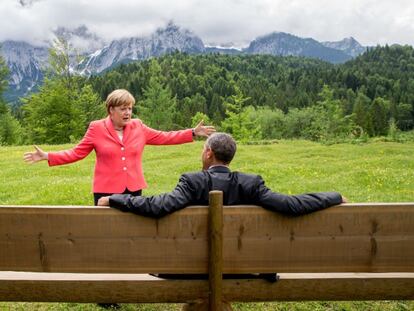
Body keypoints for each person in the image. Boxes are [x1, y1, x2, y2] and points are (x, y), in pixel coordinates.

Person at [23, 89, 215, 205]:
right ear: (111, 110)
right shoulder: (96, 128)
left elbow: (164, 137)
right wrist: (48, 156)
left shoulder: (138, 126)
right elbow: (76, 153)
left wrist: (192, 132)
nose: (128, 112)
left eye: (130, 108)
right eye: (123, 108)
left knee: (132, 230)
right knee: (105, 232)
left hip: (133, 189)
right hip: (105, 190)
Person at [98, 132, 346, 215]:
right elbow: (292, 204)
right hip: (244, 267)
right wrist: (334, 196)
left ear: (208, 154)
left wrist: (114, 198)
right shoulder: (251, 184)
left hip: (190, 269)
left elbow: (158, 206)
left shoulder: (192, 182)